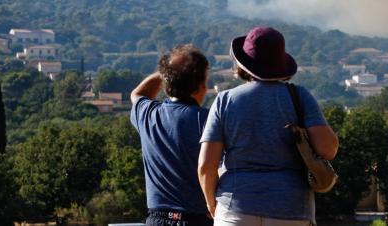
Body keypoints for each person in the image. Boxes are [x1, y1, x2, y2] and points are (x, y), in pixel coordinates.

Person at [198, 26, 339, 225]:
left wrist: (211, 204)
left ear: (242, 64)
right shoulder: (299, 96)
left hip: (235, 207)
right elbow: (328, 149)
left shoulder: (225, 100)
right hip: (291, 208)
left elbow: (206, 165)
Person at [131, 45, 213, 226]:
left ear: (167, 83)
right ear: (201, 86)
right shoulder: (209, 120)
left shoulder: (148, 114)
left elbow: (138, 93)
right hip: (197, 220)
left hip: (156, 220)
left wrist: (167, 74)